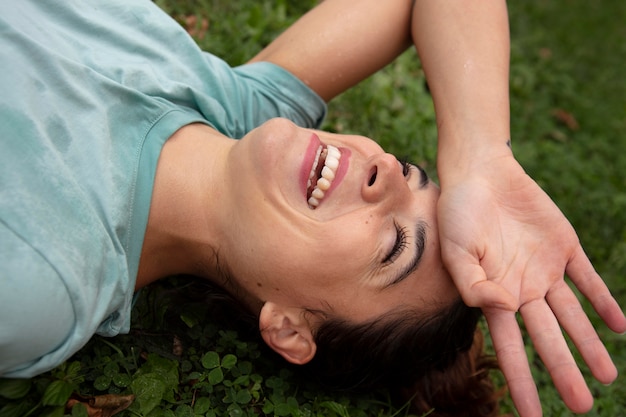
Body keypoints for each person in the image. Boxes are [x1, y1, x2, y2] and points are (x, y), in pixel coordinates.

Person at [0, 0, 624, 416]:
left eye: (395, 247)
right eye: (413, 174)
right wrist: (481, 156)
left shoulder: (42, 285)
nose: (386, 171)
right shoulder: (237, 108)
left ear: (290, 328)